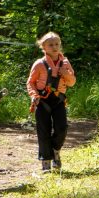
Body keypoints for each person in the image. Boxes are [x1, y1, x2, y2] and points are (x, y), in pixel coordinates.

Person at [26, 32, 76, 173]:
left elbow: (72, 82)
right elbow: (30, 82)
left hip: (59, 100)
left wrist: (65, 73)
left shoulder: (65, 63)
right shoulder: (39, 64)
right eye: (50, 45)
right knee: (43, 131)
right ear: (44, 47)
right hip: (42, 101)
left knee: (62, 128)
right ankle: (46, 161)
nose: (54, 47)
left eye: (57, 44)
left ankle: (55, 150)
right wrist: (34, 95)